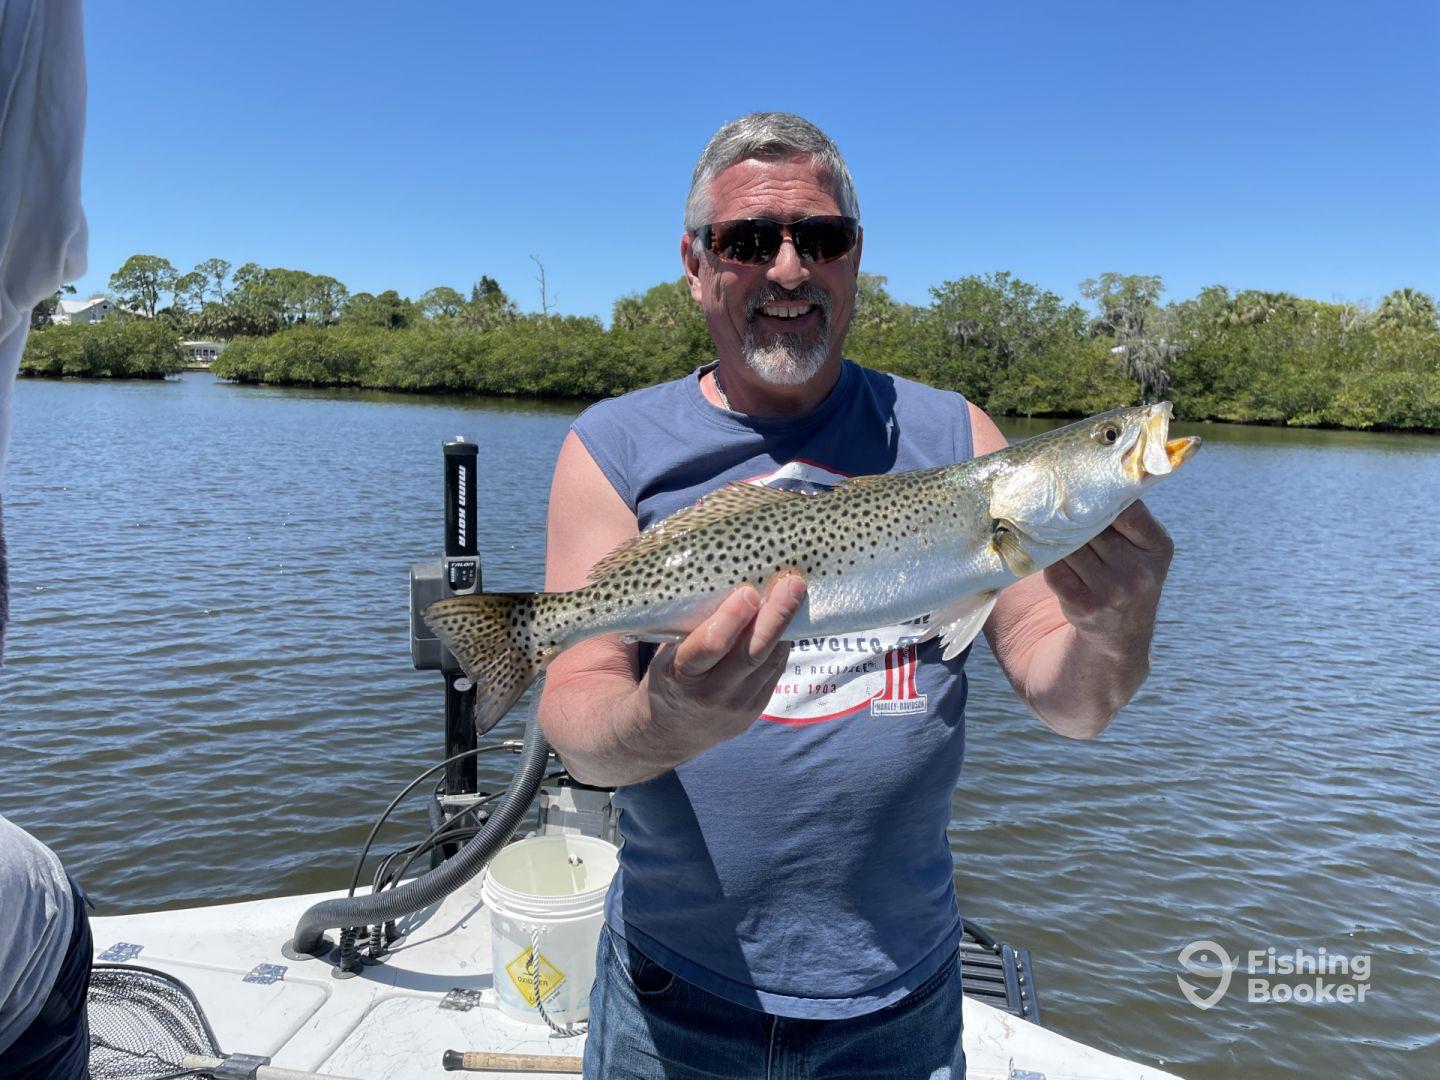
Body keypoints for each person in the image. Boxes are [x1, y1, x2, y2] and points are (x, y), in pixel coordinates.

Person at [539, 113, 1176, 1079]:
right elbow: (581, 736)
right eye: (749, 240)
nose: (789, 269)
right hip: (674, 996)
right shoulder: (612, 445)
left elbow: (1075, 706)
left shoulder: (957, 435)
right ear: (696, 264)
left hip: (900, 1005)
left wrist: (1117, 627)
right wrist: (665, 719)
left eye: (821, 238)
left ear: (855, 258)